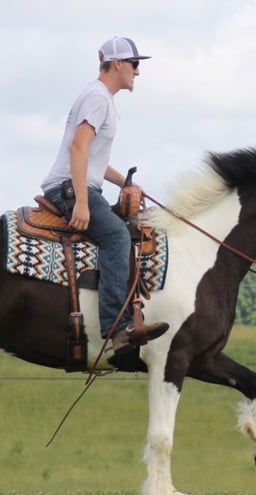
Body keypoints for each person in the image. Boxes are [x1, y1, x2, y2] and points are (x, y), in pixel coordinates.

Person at [41, 36, 169, 357]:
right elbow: (78, 147)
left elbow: (93, 157)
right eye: (135, 64)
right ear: (117, 64)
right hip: (71, 188)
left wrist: (124, 182)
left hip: (82, 183)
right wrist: (82, 202)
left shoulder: (99, 97)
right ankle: (117, 327)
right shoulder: (98, 98)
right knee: (116, 237)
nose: (138, 72)